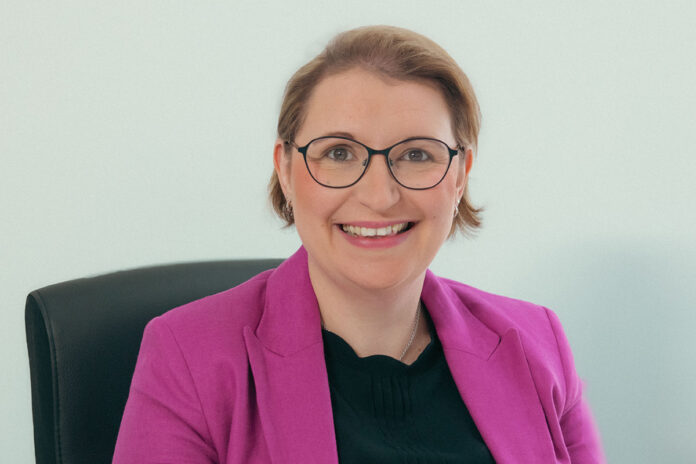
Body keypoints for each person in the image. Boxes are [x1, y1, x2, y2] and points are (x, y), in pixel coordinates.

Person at [113, 25, 605, 463]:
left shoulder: (537, 344)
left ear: (459, 176)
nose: (379, 196)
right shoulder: (188, 356)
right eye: (339, 153)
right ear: (285, 169)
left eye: (417, 154)